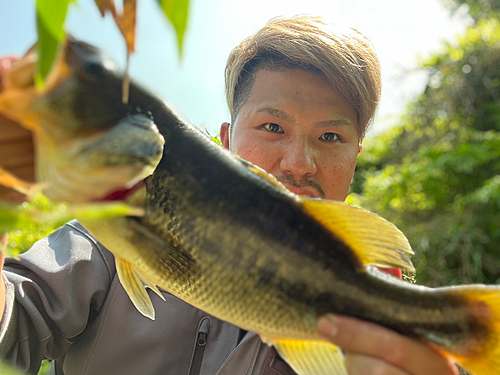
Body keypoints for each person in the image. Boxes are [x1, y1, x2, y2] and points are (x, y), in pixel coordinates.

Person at [0, 15, 460, 375]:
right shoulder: (96, 247)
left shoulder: (381, 304)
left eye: (331, 137)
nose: (299, 162)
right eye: (273, 127)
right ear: (225, 138)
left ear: (355, 158)